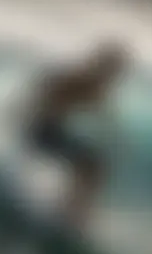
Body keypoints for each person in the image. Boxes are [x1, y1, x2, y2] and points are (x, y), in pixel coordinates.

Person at [24, 41, 129, 231]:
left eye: (116, 71)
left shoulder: (96, 87)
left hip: (55, 131)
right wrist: (44, 106)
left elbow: (105, 116)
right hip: (39, 130)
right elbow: (44, 88)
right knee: (89, 165)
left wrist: (119, 141)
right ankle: (69, 214)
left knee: (95, 166)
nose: (114, 76)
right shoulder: (77, 78)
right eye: (113, 69)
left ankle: (74, 213)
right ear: (101, 64)